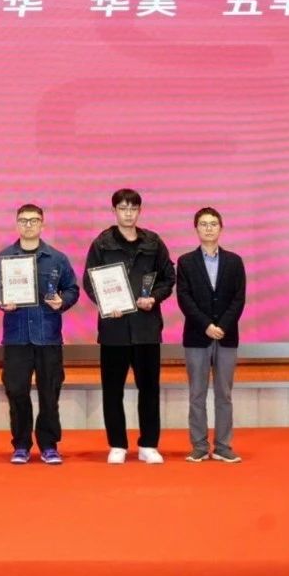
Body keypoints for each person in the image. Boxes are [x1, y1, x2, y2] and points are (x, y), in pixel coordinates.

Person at [82, 188, 175, 464]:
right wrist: (104, 302)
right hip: (114, 329)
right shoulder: (102, 244)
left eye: (133, 208)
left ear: (139, 211)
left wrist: (154, 298)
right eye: (123, 208)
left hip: (147, 328)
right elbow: (89, 280)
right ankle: (117, 445)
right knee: (113, 390)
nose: (128, 213)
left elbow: (168, 278)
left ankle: (149, 444)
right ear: (114, 211)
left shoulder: (154, 243)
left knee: (149, 389)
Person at [0, 204, 79, 465]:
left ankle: (49, 445)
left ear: (42, 224)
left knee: (50, 393)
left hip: (48, 336)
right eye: (23, 220)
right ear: (17, 224)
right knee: (16, 391)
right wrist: (0, 301)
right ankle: (21, 445)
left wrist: (62, 301)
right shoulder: (4, 258)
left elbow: (72, 289)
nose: (28, 225)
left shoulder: (57, 258)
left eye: (34, 220)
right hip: (16, 337)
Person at [176, 206, 247, 463]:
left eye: (213, 224)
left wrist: (222, 326)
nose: (209, 228)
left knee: (224, 394)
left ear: (221, 228)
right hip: (197, 336)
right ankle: (198, 445)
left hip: (227, 336)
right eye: (204, 224)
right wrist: (206, 325)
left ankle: (223, 446)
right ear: (196, 229)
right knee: (197, 393)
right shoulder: (185, 262)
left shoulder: (234, 261)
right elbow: (184, 298)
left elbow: (238, 298)